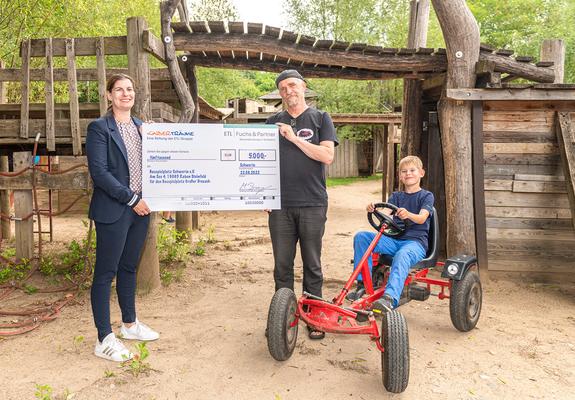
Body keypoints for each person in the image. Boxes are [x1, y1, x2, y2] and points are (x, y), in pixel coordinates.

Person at [86, 73, 159, 362]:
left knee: (129, 268)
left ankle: (129, 325)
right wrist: (132, 199)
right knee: (105, 273)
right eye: (119, 90)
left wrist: (156, 140)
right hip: (115, 209)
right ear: (109, 95)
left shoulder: (143, 127)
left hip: (141, 211)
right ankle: (104, 338)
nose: (125, 94)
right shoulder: (99, 128)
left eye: (129, 89)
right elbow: (100, 173)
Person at [266, 69, 338, 340]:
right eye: (283, 88)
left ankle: (314, 315)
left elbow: (327, 156)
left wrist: (294, 138)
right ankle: (282, 318)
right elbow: (262, 163)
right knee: (282, 266)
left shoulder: (321, 118)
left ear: (304, 87)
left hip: (312, 203)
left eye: (293, 85)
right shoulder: (272, 122)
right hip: (279, 206)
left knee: (312, 264)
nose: (288, 91)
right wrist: (263, 194)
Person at [347, 155, 434, 312]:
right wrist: (375, 211)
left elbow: (422, 218)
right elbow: (386, 215)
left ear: (421, 173)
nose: (408, 174)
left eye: (412, 170)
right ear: (400, 176)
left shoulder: (426, 196)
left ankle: (389, 298)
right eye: (404, 171)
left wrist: (408, 215)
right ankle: (362, 284)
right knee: (361, 237)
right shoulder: (396, 196)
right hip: (393, 240)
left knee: (402, 255)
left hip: (415, 243)